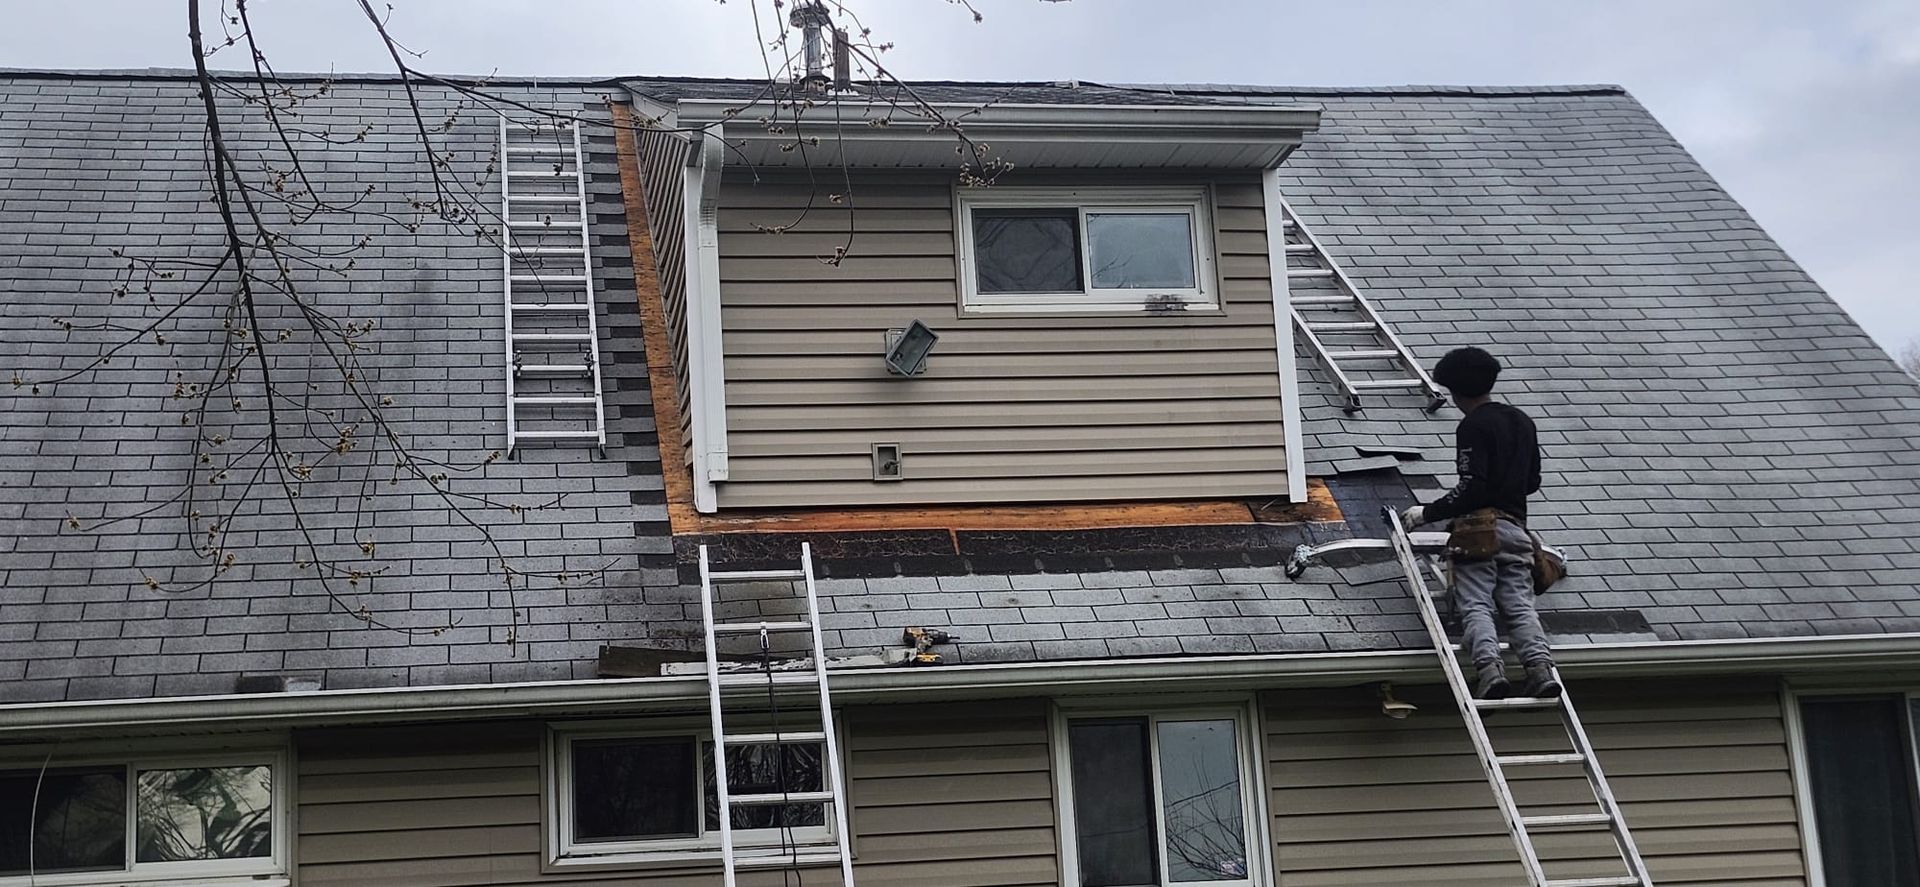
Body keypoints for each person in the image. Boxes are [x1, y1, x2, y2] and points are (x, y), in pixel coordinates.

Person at [1398, 347, 1559, 701]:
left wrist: (1427, 513)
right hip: (1517, 532)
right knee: (1518, 604)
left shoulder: (1473, 425)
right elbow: (1530, 482)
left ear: (1455, 392)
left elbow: (1473, 487)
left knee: (1476, 604)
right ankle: (1540, 670)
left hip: (1478, 534)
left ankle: (1489, 671)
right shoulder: (1522, 421)